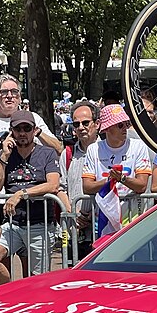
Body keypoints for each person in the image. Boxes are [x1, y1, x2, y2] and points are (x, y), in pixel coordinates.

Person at [0, 110, 61, 284]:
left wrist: (21, 194)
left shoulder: (47, 153)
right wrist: (4, 157)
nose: (22, 133)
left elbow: (53, 184)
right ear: (12, 131)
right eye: (18, 129)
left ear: (35, 130)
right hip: (13, 224)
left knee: (37, 281)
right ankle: (10, 292)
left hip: (41, 225)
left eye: (27, 128)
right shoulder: (5, 156)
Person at [82, 104, 157, 239]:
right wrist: (108, 181)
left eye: (127, 124)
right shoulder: (94, 149)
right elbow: (87, 187)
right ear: (108, 128)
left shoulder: (138, 146)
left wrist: (122, 179)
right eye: (120, 125)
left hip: (134, 219)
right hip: (104, 219)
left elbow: (142, 185)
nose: (126, 128)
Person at [0, 74, 63, 156]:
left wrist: (38, 133)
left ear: (20, 98)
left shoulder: (34, 118)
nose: (10, 96)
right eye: (4, 92)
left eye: (14, 91)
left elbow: (59, 149)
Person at [59, 99, 99, 260]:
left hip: (100, 228)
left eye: (85, 122)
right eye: (76, 124)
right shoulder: (67, 154)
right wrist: (73, 213)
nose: (81, 127)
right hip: (73, 231)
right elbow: (60, 188)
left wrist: (92, 216)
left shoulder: (106, 151)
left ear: (97, 123)